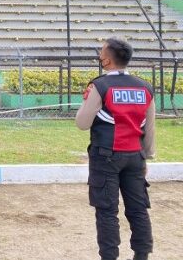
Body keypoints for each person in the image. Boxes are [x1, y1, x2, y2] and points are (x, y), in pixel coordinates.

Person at [76, 38, 156, 260]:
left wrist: (87, 101)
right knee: (138, 209)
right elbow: (149, 128)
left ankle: (110, 256)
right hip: (135, 157)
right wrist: (146, 158)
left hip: (106, 156)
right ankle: (142, 255)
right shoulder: (145, 87)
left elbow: (82, 123)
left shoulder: (100, 86)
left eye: (101, 52)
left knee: (107, 211)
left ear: (107, 60)